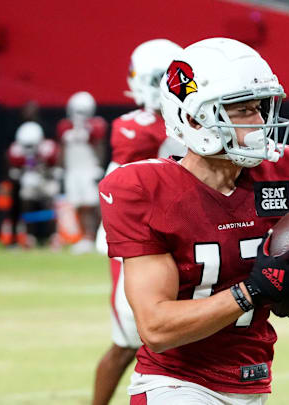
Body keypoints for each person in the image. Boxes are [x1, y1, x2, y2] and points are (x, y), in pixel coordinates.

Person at [99, 38, 289, 404]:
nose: (260, 122)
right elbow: (157, 328)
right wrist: (252, 291)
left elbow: (286, 307)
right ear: (195, 118)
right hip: (175, 383)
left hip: (252, 378)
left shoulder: (288, 170)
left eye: (260, 108)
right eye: (241, 110)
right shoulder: (143, 188)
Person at [91, 38, 183, 405]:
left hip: (179, 232)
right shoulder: (137, 127)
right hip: (134, 238)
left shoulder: (180, 122)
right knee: (131, 341)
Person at [57, 91, 107, 254]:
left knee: (91, 205)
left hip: (88, 169)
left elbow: (99, 145)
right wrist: (60, 167)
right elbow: (62, 149)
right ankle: (85, 237)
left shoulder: (95, 125)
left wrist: (99, 166)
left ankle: (92, 236)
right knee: (78, 204)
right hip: (73, 170)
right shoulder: (65, 126)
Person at [6, 122, 61, 248]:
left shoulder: (48, 148)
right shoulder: (16, 150)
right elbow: (13, 169)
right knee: (26, 199)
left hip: (46, 179)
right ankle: (29, 236)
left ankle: (53, 236)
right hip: (28, 179)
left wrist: (47, 171)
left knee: (51, 200)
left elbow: (55, 166)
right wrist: (17, 172)